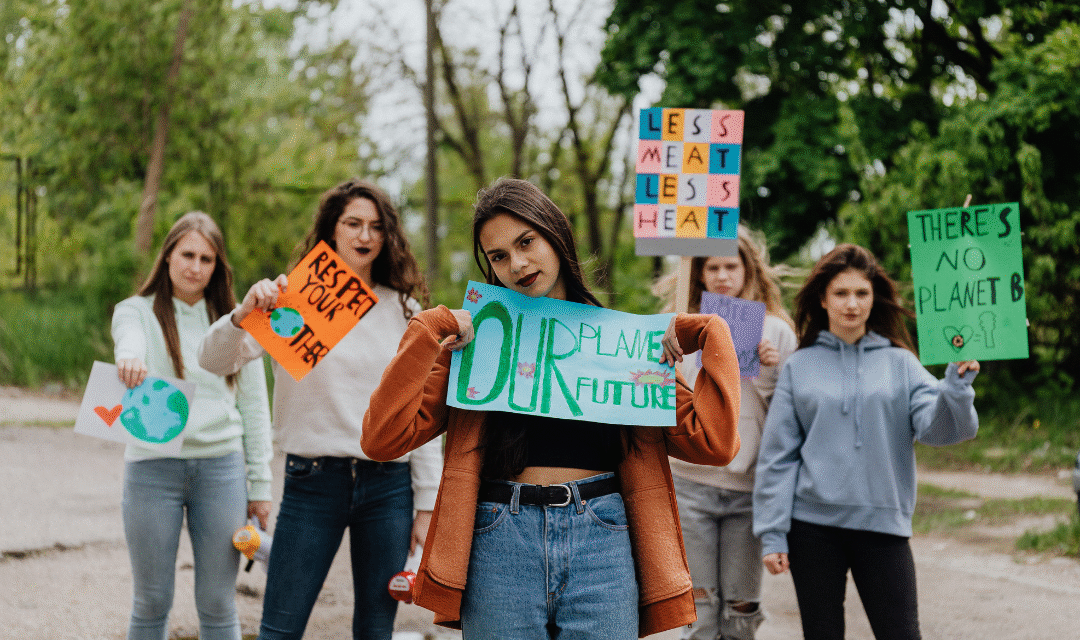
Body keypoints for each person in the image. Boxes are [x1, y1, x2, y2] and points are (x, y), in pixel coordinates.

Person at [361, 177, 743, 640]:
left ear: (555, 236)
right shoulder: (481, 340)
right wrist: (430, 328)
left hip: (602, 538)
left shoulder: (621, 343)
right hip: (499, 538)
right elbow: (383, 439)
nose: (517, 264)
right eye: (498, 256)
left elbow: (715, 443)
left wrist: (708, 332)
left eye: (526, 242)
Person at [198, 179, 443, 640]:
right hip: (312, 481)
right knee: (280, 628)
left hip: (388, 486)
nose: (365, 236)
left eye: (375, 226)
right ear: (332, 230)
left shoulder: (404, 310)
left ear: (387, 236)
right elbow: (213, 360)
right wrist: (243, 313)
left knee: (376, 631)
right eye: (353, 223)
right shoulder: (294, 300)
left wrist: (427, 504)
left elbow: (419, 412)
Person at [752, 243, 980, 640]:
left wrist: (956, 388)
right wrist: (773, 532)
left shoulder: (901, 363)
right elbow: (778, 456)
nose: (852, 304)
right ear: (823, 299)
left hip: (883, 525)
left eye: (862, 293)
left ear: (875, 298)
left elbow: (941, 428)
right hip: (812, 529)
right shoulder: (799, 367)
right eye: (841, 293)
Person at [112, 211, 273, 640]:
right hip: (151, 468)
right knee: (151, 601)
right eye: (187, 254)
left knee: (218, 604)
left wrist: (260, 488)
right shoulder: (135, 312)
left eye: (207, 259)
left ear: (218, 267)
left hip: (221, 469)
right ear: (167, 256)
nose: (195, 267)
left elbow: (256, 407)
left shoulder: (240, 322)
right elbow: (127, 336)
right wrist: (129, 357)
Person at [659, 226, 797, 640]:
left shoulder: (776, 331)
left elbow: (791, 414)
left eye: (730, 266)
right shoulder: (679, 328)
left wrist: (770, 370)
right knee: (698, 613)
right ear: (700, 273)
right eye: (713, 267)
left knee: (741, 612)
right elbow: (670, 403)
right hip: (690, 484)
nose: (722, 275)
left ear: (748, 270)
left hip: (748, 490)